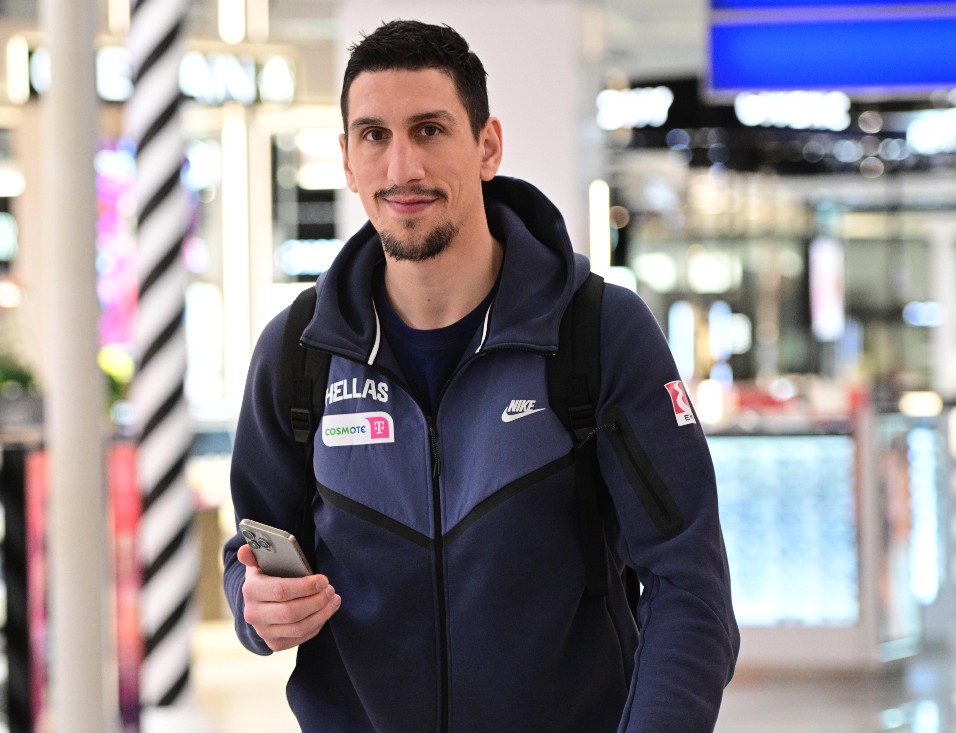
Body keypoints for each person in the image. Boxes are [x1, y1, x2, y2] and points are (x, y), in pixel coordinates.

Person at [223, 19, 740, 733]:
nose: (402, 167)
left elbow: (690, 584)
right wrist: (253, 604)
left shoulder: (598, 333)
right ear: (346, 158)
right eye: (373, 135)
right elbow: (252, 549)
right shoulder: (298, 351)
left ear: (487, 146)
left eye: (429, 130)